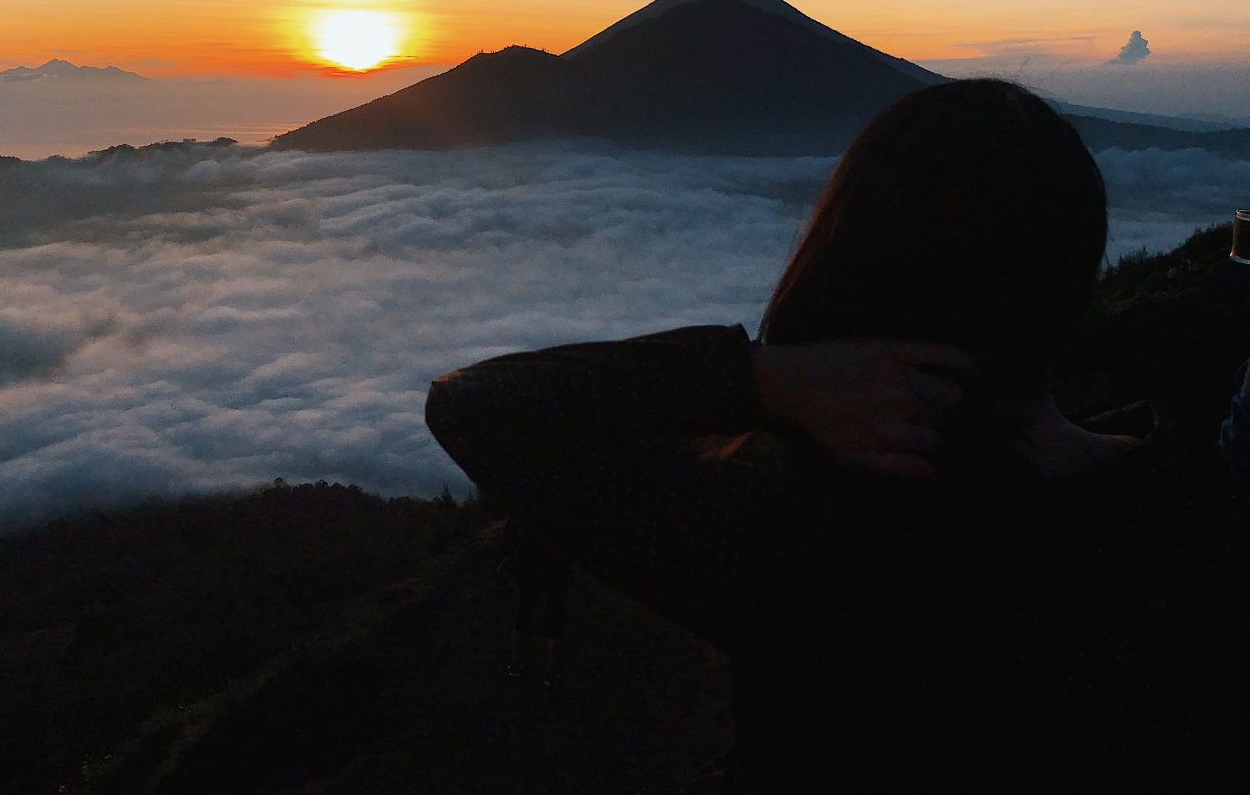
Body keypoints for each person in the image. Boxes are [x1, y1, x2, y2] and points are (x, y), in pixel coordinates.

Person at [426, 80, 1250, 788]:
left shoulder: (815, 555)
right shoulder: (1200, 518)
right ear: (1079, 272)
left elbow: (480, 408)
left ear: (846, 266)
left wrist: (763, 378)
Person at [497, 515, 572, 685]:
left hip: (530, 575)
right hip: (557, 573)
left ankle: (515, 664)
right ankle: (550, 673)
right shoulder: (562, 512)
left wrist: (510, 580)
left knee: (522, 619)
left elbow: (507, 545)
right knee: (554, 622)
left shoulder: (522, 513)